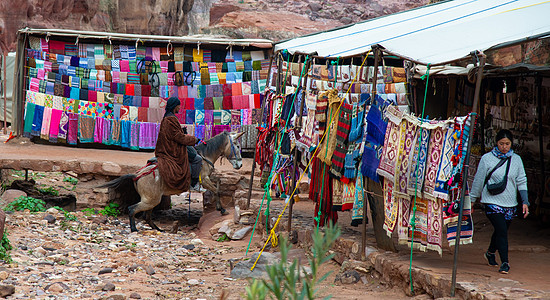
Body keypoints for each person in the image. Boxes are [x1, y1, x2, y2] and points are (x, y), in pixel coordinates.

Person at [470, 129, 529, 274]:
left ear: (511, 144)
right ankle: (505, 262)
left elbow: (521, 181)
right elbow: (479, 180)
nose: (504, 147)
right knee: (502, 231)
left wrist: (525, 202)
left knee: (500, 231)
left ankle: (490, 252)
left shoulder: (516, 160)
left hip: (510, 203)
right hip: (491, 201)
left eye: (507, 144)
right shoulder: (486, 159)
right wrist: (471, 200)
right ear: (496, 143)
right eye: (501, 143)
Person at [155, 97, 202, 192]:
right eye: (178, 106)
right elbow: (179, 137)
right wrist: (194, 139)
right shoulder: (171, 119)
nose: (180, 108)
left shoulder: (167, 117)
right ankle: (193, 184)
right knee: (197, 159)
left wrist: (182, 131)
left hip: (170, 146)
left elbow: (174, 133)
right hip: (172, 150)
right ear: (174, 106)